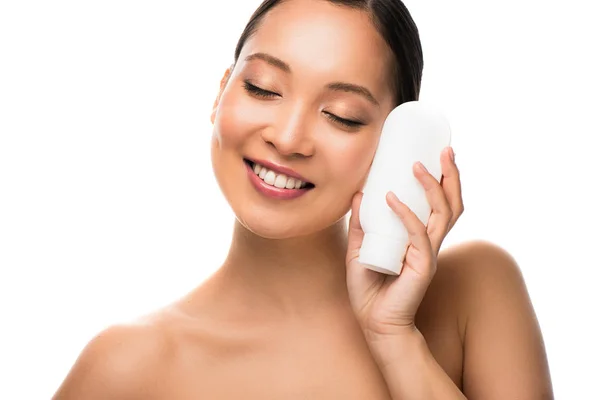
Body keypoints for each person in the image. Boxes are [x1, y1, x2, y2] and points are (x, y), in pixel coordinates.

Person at [52, 0, 554, 398]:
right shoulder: (127, 367)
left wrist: (395, 340)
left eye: (342, 115)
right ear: (222, 92)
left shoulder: (477, 290)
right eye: (263, 88)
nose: (289, 138)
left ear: (396, 143)